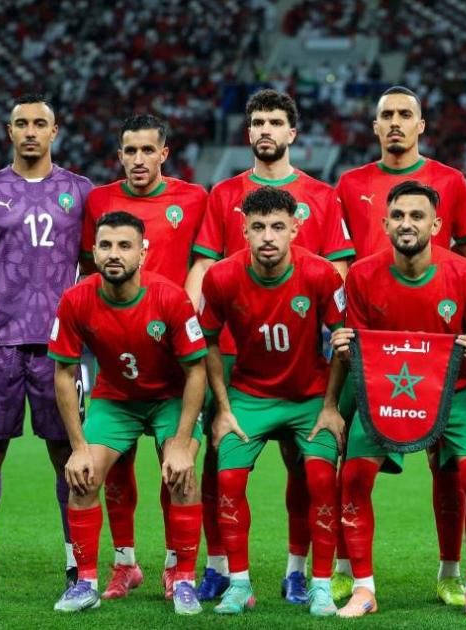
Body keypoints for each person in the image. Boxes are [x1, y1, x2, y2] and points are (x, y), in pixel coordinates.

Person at [184, 89, 355, 604]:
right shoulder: (224, 193)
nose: (265, 130)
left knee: (307, 470)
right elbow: (205, 265)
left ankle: (299, 572)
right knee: (219, 463)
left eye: (275, 122)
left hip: (302, 349)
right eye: (257, 122)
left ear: (291, 132)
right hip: (236, 353)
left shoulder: (321, 196)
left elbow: (338, 269)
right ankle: (221, 568)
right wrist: (189, 329)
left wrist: (326, 311)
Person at [334, 85, 466, 606]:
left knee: (463, 473)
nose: (396, 122)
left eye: (406, 114)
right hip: (376, 368)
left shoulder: (452, 194)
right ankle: (353, 578)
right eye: (387, 115)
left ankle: (459, 579)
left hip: (449, 378)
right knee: (347, 467)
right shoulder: (351, 188)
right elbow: (336, 258)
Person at [0, 93, 93, 598]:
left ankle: (78, 567)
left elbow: (93, 268)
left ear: (54, 132)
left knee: (66, 453)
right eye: (21, 123)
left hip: (59, 345)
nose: (30, 131)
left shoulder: (81, 191)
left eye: (39, 123)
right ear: (9, 132)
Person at [48, 211, 207, 615]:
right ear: (94, 252)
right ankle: (85, 583)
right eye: (105, 245)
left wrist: (182, 443)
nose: (114, 254)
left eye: (124, 246)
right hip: (115, 399)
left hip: (169, 398)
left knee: (182, 476)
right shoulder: (76, 299)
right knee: (83, 478)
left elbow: (196, 371)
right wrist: (78, 447)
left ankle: (183, 579)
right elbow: (64, 373)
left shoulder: (171, 297)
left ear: (143, 253)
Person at [198, 186, 346, 617]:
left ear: (295, 229)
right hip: (249, 397)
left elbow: (342, 340)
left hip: (309, 398)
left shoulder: (321, 274)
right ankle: (239, 585)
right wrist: (223, 409)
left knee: (321, 479)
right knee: (228, 479)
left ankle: (319, 585)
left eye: (278, 227)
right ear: (243, 230)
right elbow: (207, 340)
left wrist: (331, 406)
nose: (267, 236)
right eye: (258, 227)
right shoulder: (221, 277)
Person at [80, 113, 208, 601]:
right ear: (119, 155)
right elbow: (88, 263)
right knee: (115, 468)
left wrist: (186, 306)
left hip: (175, 354)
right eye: (129, 151)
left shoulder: (193, 198)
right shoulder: (99, 200)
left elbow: (204, 259)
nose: (138, 159)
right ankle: (125, 563)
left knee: (175, 465)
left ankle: (177, 568)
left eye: (147, 150)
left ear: (163, 154)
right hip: (118, 353)